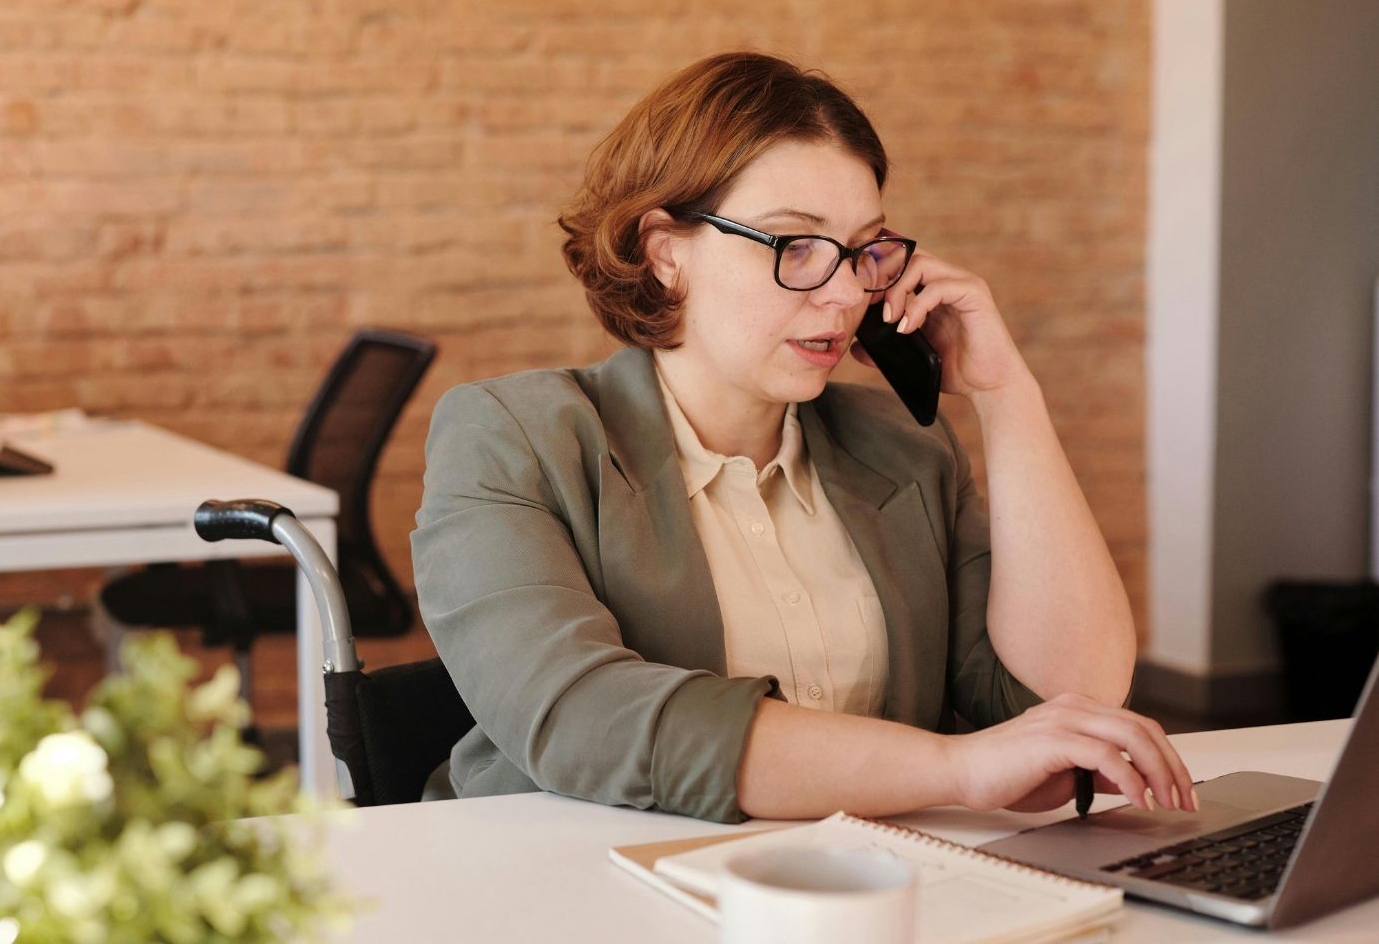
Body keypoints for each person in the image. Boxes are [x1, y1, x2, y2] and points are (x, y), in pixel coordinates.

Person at [411, 52, 1196, 824]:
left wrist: (1005, 395)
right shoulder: (512, 436)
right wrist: (955, 768)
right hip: (569, 885)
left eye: (864, 249)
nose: (849, 289)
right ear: (666, 253)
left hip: (851, 892)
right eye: (797, 245)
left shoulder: (901, 446)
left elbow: (1069, 699)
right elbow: (579, 715)